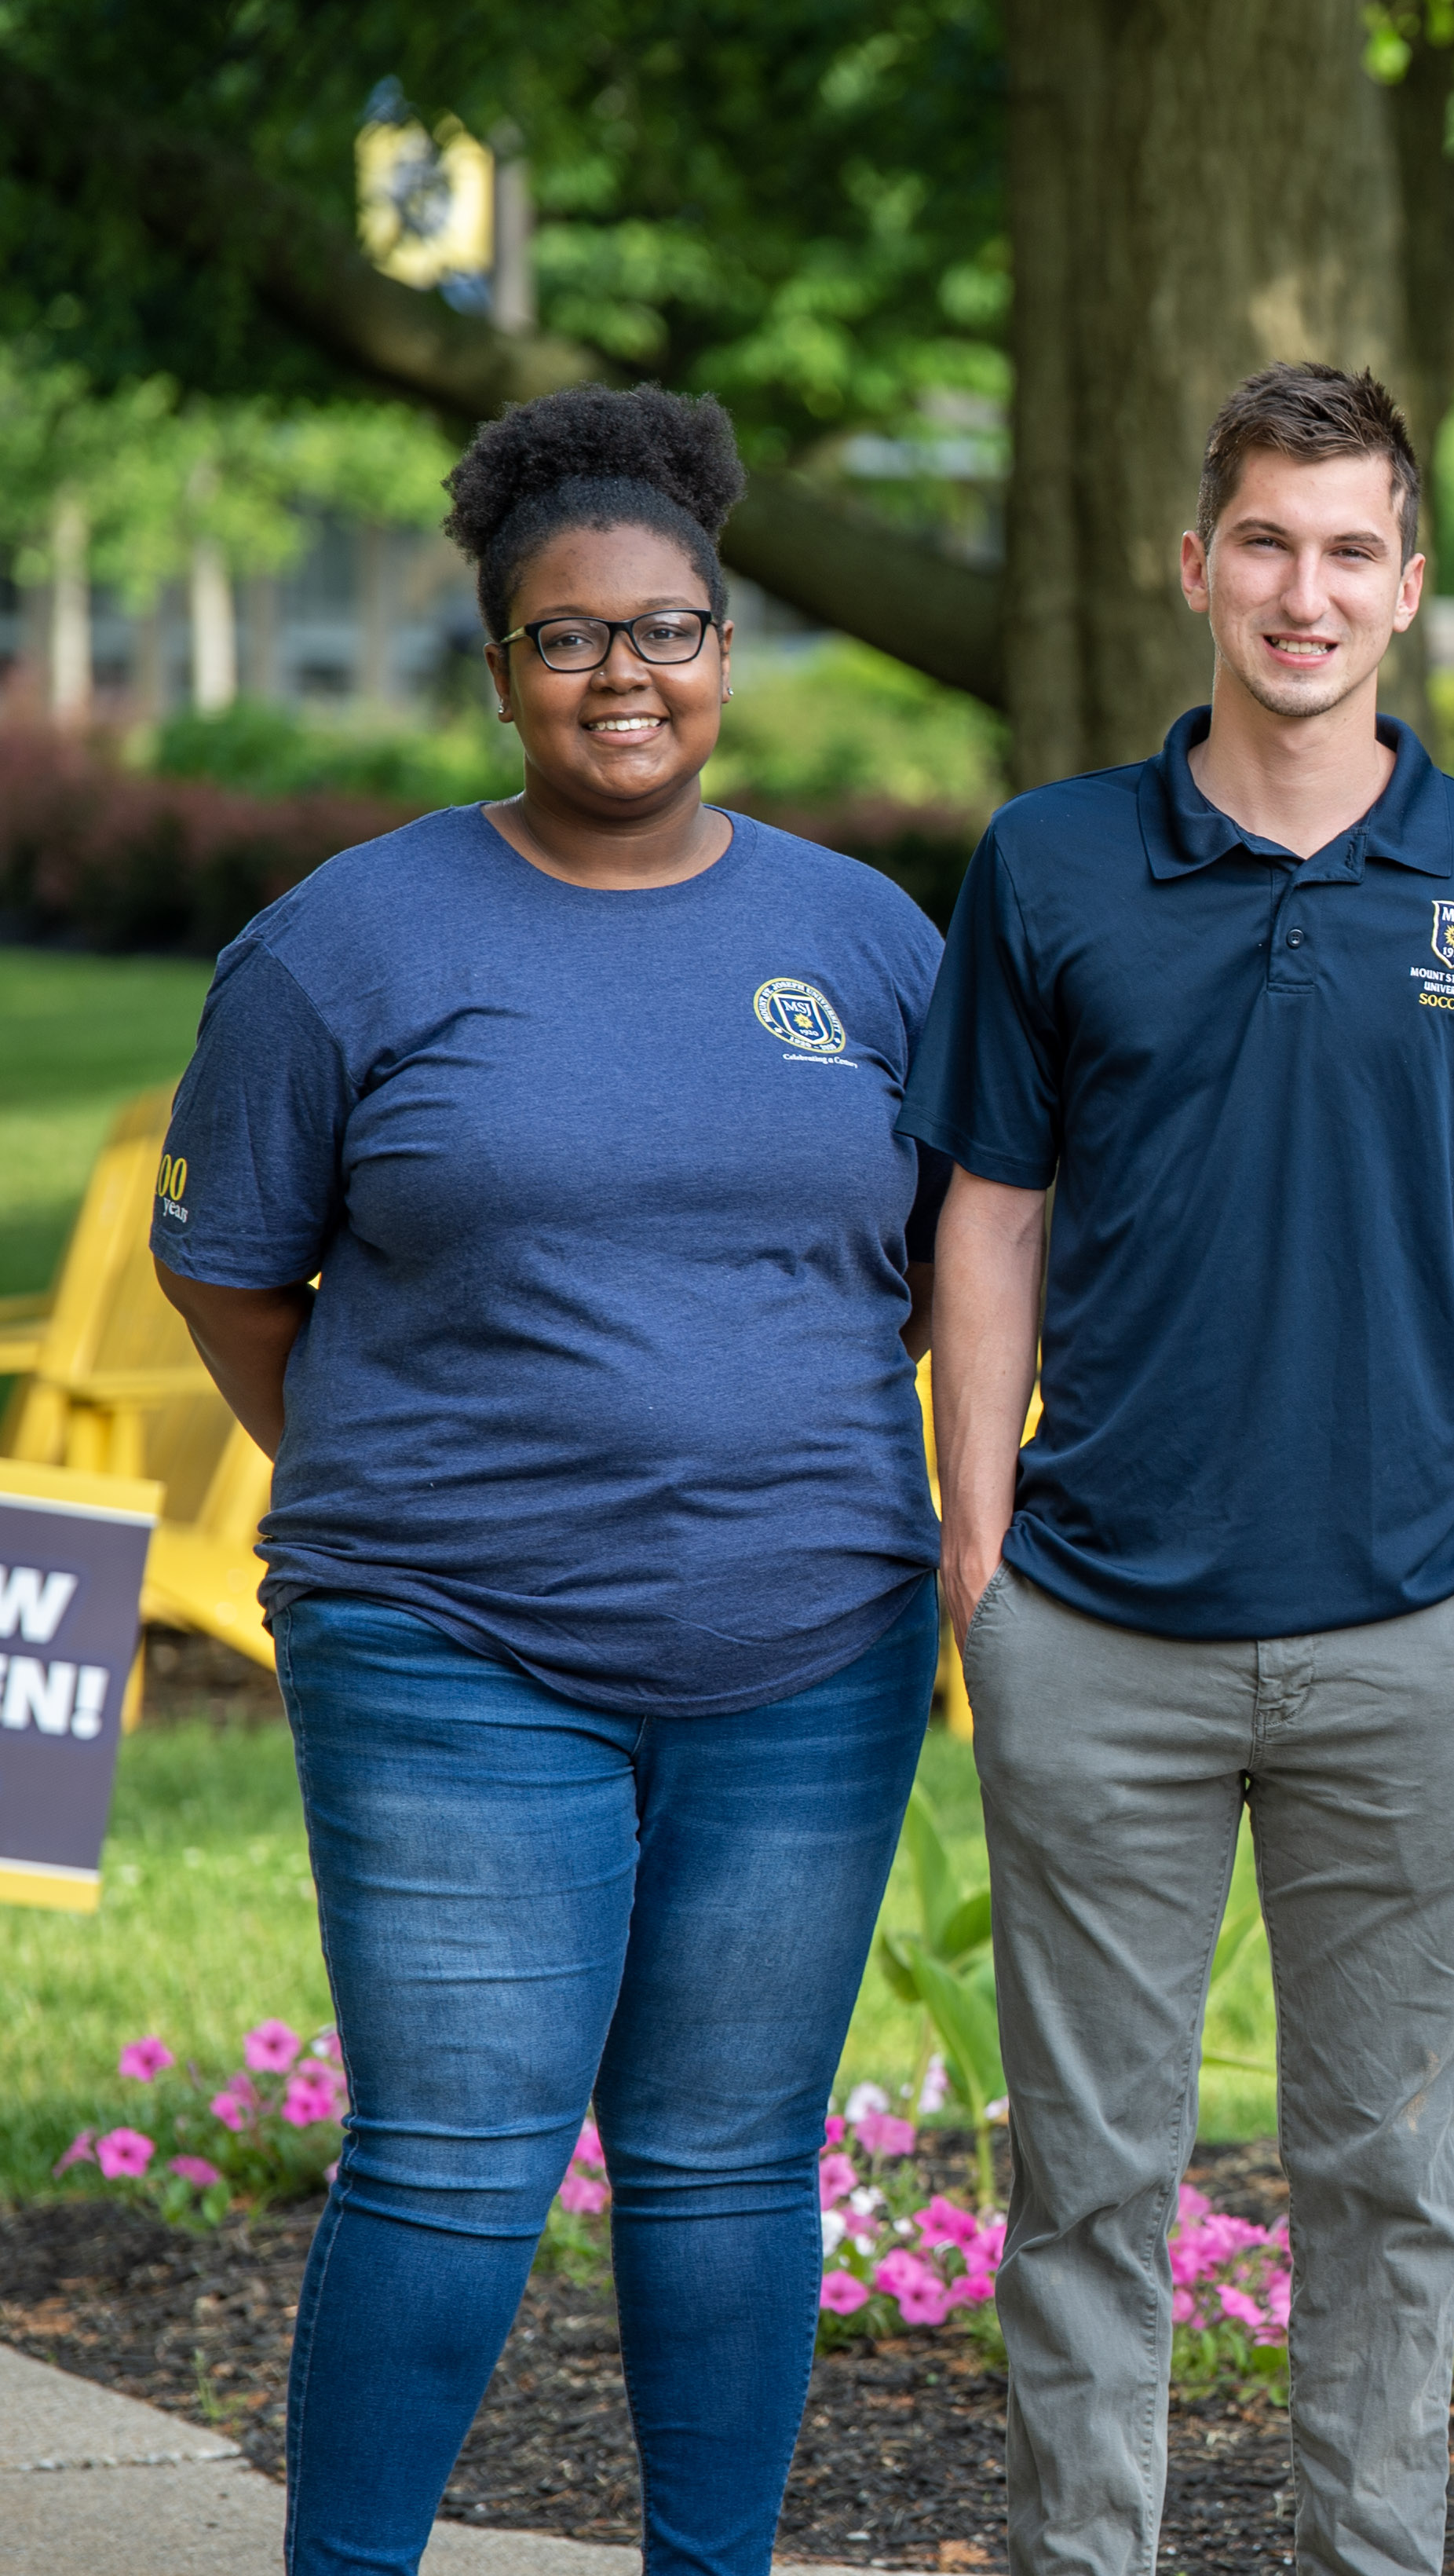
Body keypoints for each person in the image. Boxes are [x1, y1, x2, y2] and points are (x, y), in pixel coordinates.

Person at [148, 384, 947, 2576]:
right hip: (447, 1643)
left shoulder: (870, 944)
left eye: (670, 630)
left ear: (726, 646)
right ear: (497, 666)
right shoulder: (347, 945)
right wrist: (409, 1491)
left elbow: (957, 1261)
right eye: (572, 638)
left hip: (813, 1643)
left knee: (725, 2158)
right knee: (457, 2152)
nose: (628, 676)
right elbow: (227, 1271)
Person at [905, 360, 1454, 2576]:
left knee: (1391, 2182)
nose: (1302, 593)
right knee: (1091, 2177)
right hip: (1100, 1630)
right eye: (1265, 544)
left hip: (1409, 1631)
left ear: (1408, 585)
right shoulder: (1047, 863)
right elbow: (992, 1218)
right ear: (1193, 563)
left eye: (1349, 552)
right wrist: (982, 1554)